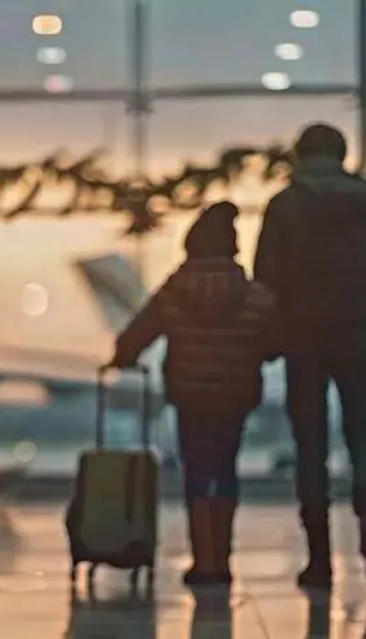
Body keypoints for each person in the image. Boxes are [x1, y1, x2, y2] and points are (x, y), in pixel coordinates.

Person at [253, 122, 366, 589]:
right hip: (357, 330)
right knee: (363, 439)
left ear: (300, 156)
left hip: (304, 333)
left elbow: (267, 276)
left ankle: (319, 559)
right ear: (341, 154)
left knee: (310, 447)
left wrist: (269, 335)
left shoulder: (285, 205)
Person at [110, 201, 278, 586]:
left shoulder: (175, 290)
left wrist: (123, 357)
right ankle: (223, 558)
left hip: (190, 395)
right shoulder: (253, 294)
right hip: (235, 395)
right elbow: (274, 343)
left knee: (198, 472)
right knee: (225, 471)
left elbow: (139, 332)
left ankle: (204, 561)